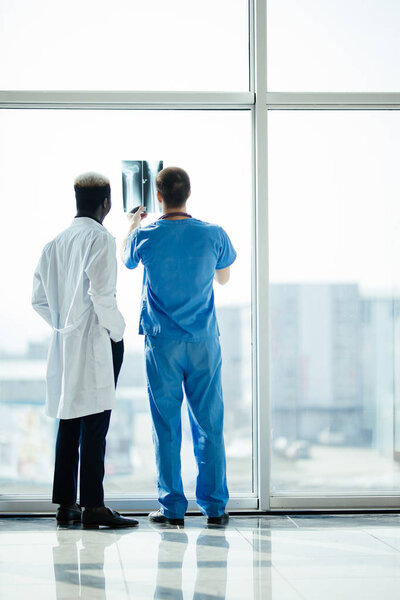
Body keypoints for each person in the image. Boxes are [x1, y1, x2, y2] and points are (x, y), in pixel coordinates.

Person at [122, 166, 236, 526]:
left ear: (158, 197)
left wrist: (131, 223)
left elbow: (125, 259)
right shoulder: (213, 234)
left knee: (166, 425)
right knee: (209, 424)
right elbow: (224, 277)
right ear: (189, 193)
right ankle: (214, 508)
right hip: (203, 341)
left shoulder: (146, 234)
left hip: (162, 344)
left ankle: (172, 509)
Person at [32, 172, 138, 529]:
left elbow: (38, 300)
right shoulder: (101, 240)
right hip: (97, 341)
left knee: (69, 420)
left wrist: (64, 325)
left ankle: (66, 506)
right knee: (95, 426)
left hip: (65, 343)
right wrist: (117, 333)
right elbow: (101, 295)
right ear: (106, 203)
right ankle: (93, 506)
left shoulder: (55, 244)